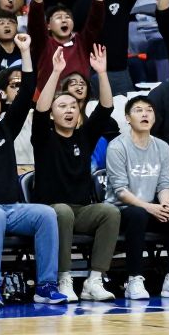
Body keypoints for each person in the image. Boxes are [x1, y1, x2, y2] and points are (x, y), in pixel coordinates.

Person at [0, 33, 67, 306]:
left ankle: (45, 285)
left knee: (45, 213)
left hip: (11, 208)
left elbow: (28, 88)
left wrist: (26, 51)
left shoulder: (6, 128)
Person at [32, 45, 119, 302]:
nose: (69, 110)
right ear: (52, 113)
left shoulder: (85, 136)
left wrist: (101, 73)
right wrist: (56, 71)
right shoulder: (43, 137)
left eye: (73, 106)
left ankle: (94, 280)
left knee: (110, 212)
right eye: (62, 106)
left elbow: (106, 108)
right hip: (49, 210)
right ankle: (63, 277)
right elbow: (39, 109)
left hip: (80, 210)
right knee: (62, 211)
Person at [105, 95, 169, 299]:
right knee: (138, 215)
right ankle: (134, 280)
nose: (145, 113)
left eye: (149, 110)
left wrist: (165, 204)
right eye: (138, 110)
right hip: (121, 211)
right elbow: (120, 190)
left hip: (151, 208)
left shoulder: (162, 146)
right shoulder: (117, 147)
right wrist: (149, 207)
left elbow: (164, 184)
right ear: (127, 118)